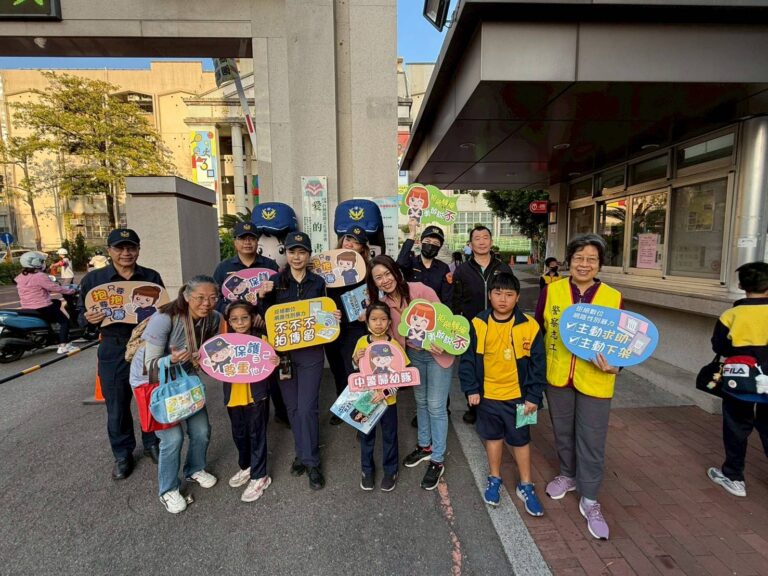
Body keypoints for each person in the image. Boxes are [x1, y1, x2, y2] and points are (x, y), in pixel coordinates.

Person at [535, 234, 622, 540]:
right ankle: (567, 475)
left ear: (600, 264)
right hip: (558, 376)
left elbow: (624, 343)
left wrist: (617, 366)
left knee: (592, 440)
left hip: (596, 379)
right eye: (579, 258)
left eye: (592, 259)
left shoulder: (612, 297)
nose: (584, 264)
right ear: (569, 261)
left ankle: (591, 499)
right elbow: (538, 330)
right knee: (563, 431)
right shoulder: (552, 291)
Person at [78, 228, 164, 481]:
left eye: (131, 247)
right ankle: (122, 454)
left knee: (151, 397)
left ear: (138, 249)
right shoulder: (94, 280)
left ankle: (152, 443)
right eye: (120, 248)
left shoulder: (150, 277)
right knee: (116, 404)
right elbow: (80, 317)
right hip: (113, 346)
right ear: (109, 250)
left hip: (147, 346)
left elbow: (162, 311)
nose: (126, 253)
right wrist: (88, 319)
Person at [259, 232, 341, 490]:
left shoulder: (318, 282)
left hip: (311, 352)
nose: (296, 257)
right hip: (283, 354)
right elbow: (266, 318)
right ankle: (302, 452)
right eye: (292, 251)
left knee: (307, 407)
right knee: (293, 408)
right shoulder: (275, 282)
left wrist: (333, 317)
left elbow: (325, 313)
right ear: (286, 253)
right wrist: (262, 297)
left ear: (309, 255)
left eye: (302, 252)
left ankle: (312, 461)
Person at [459, 272, 545, 516]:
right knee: (493, 437)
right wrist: (471, 389)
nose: (503, 299)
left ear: (517, 297)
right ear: (490, 295)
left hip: (520, 397)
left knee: (521, 440)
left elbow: (539, 364)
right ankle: (494, 478)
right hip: (488, 396)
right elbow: (467, 360)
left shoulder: (529, 326)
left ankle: (526, 485)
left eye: (509, 294)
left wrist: (534, 396)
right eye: (498, 293)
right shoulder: (478, 323)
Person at [367, 255, 454, 491]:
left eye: (387, 273)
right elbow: (382, 334)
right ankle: (425, 446)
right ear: (374, 283)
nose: (385, 280)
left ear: (396, 272)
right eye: (378, 278)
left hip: (437, 355)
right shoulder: (382, 305)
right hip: (413, 356)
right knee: (421, 402)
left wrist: (441, 340)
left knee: (436, 406)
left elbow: (445, 321)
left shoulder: (420, 290)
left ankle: (437, 459)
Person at [140, 275, 222, 513]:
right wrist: (171, 360)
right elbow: (149, 364)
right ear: (186, 296)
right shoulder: (164, 318)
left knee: (201, 430)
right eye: (200, 298)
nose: (206, 303)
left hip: (185, 378)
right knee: (172, 438)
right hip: (154, 381)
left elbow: (208, 351)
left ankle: (194, 469)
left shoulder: (214, 318)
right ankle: (168, 489)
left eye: (212, 298)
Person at [212, 221, 286, 426]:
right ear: (235, 242)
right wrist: (231, 312)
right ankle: (245, 412)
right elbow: (215, 298)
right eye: (242, 238)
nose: (247, 242)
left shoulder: (269, 266)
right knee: (242, 366)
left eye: (251, 238)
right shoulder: (224, 268)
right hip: (236, 329)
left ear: (257, 242)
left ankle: (279, 412)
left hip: (264, 327)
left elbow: (280, 296)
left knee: (271, 367)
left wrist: (266, 314)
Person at [707, 261, 768, 498]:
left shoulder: (731, 315)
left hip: (739, 381)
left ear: (741, 286)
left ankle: (734, 477)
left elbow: (719, 346)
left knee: (736, 426)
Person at [451, 225, 514, 424]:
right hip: (472, 327)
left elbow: (511, 295)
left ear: (491, 242)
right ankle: (473, 406)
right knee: (471, 365)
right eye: (477, 238)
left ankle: (494, 404)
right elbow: (456, 300)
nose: (481, 242)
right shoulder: (462, 270)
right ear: (470, 244)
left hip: (499, 325)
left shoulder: (503, 268)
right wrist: (458, 326)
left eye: (485, 237)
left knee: (495, 365)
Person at [222, 302, 279, 503]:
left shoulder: (261, 339)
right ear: (229, 322)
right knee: (239, 434)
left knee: (257, 434)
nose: (240, 323)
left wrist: (276, 361)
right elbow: (212, 365)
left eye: (244, 318)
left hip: (256, 395)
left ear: (252, 318)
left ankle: (260, 476)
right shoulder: (223, 343)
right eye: (234, 319)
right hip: (233, 396)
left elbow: (273, 362)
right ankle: (246, 466)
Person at [351, 303, 409, 491]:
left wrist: (384, 392)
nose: (378, 323)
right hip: (366, 400)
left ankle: (391, 470)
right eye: (374, 319)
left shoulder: (394, 346)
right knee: (366, 436)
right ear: (367, 322)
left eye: (383, 319)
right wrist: (356, 359)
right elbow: (356, 370)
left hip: (388, 401)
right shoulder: (362, 342)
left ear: (389, 322)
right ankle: (366, 470)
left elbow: (402, 375)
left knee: (389, 436)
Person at [326, 225, 372, 426]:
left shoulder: (368, 270)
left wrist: (369, 312)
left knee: (353, 369)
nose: (350, 244)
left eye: (356, 242)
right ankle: (341, 406)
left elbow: (377, 297)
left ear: (363, 248)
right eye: (347, 239)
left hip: (355, 327)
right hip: (331, 326)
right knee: (337, 369)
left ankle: (360, 410)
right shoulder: (328, 268)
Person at [15, 251, 78, 354]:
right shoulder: (39, 276)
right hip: (42, 306)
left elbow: (34, 289)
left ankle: (53, 332)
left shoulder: (20, 276)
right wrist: (72, 291)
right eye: (40, 261)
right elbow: (55, 288)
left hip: (27, 306)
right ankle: (63, 345)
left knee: (56, 302)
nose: (42, 263)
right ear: (34, 262)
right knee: (64, 321)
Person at [396, 220, 452, 305]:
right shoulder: (410, 262)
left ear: (439, 247)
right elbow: (400, 262)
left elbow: (447, 298)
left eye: (436, 243)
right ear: (420, 243)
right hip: (412, 310)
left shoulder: (443, 268)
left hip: (435, 310)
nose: (431, 245)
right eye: (427, 241)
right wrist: (412, 234)